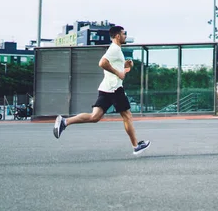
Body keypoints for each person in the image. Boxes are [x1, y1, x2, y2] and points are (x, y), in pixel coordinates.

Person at [52, 26, 151, 155]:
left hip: (107, 88)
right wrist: (118, 71)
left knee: (95, 117)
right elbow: (102, 63)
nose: (125, 36)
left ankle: (65, 122)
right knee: (127, 116)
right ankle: (136, 145)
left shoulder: (117, 50)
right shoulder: (114, 49)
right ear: (117, 36)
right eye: (123, 34)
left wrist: (126, 68)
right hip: (114, 89)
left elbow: (120, 74)